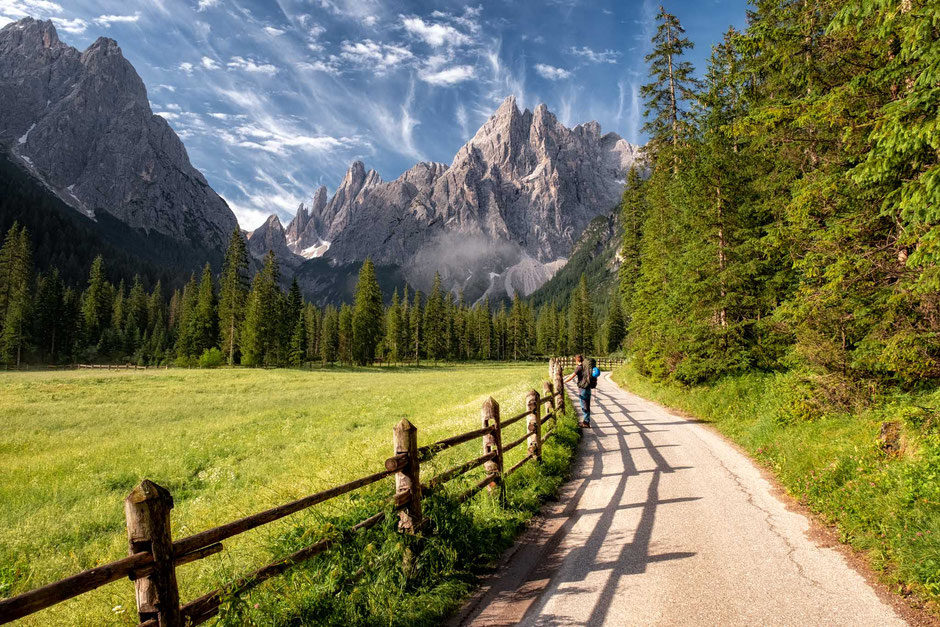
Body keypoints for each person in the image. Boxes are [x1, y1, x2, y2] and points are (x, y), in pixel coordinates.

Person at [564, 354, 592, 428]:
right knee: (587, 404)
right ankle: (586, 421)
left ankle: (586, 423)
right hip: (588, 387)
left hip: (583, 388)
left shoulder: (579, 368)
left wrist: (563, 381)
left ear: (576, 360)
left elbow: (571, 376)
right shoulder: (586, 367)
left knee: (584, 405)